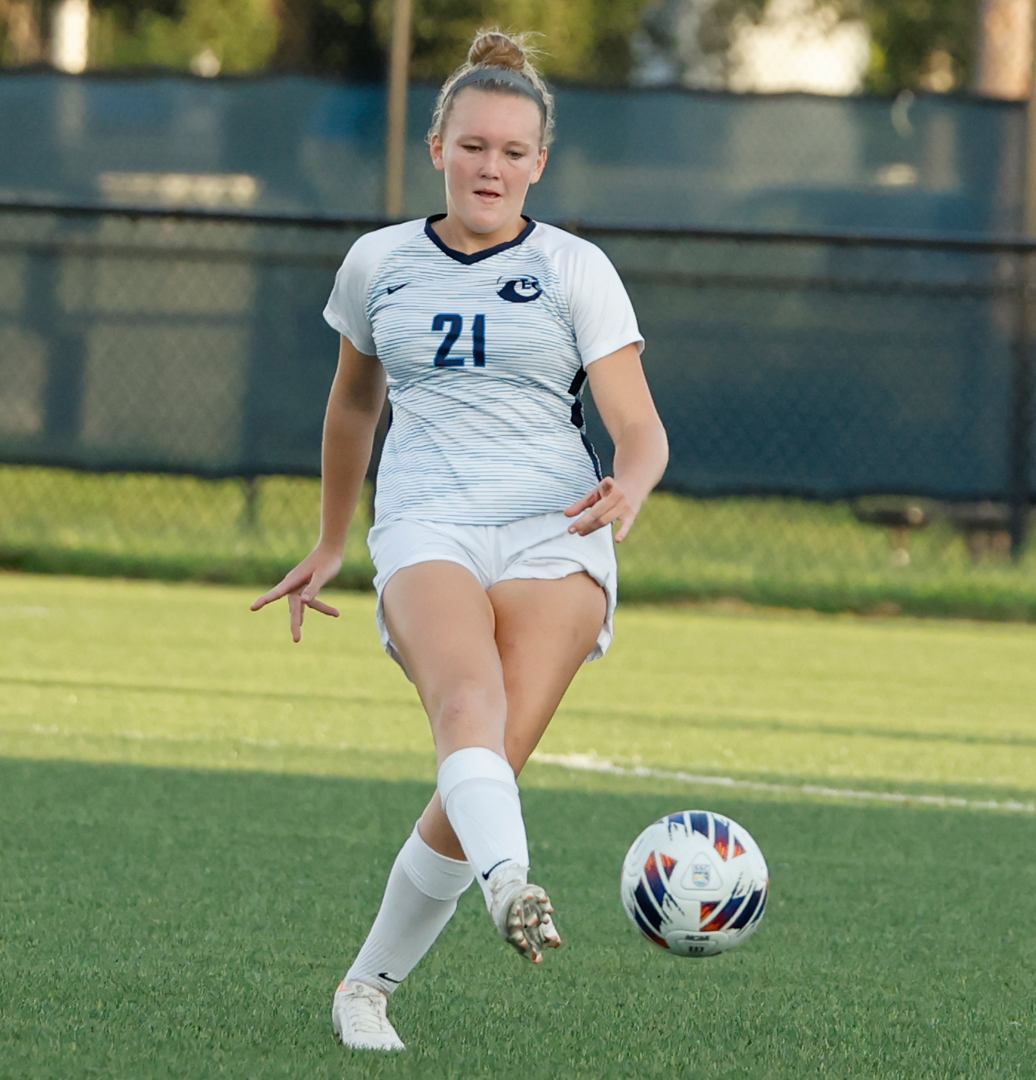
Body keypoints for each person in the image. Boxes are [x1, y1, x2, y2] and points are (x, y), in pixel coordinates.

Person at [251, 27, 669, 1053]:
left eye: (514, 152)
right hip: (428, 521)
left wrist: (634, 489)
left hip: (555, 531)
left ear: (539, 164)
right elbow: (354, 407)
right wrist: (333, 537)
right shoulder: (379, 262)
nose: (492, 166)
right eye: (474, 145)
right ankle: (510, 884)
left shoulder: (575, 267)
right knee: (466, 709)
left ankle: (364, 989)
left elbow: (640, 426)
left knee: (485, 768)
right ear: (437, 145)